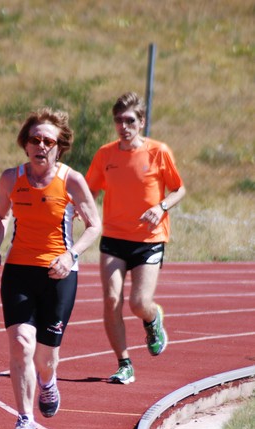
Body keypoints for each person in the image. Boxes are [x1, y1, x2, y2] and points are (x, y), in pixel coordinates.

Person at [0, 107, 101, 429]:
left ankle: (48, 383)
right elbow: (0, 215)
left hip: (58, 274)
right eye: (34, 139)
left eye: (48, 140)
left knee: (46, 358)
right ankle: (24, 419)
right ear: (25, 144)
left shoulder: (72, 180)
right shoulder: (11, 178)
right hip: (19, 270)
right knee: (21, 344)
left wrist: (71, 254)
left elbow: (95, 226)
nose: (41, 145)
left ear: (59, 146)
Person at [85, 91, 186, 385]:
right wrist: (83, 209)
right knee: (111, 299)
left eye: (129, 120)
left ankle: (152, 319)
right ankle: (124, 363)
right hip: (114, 238)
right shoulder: (106, 154)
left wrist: (161, 206)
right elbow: (90, 189)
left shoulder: (158, 152)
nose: (123, 126)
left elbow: (179, 189)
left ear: (141, 122)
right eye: (118, 120)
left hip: (148, 240)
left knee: (139, 303)